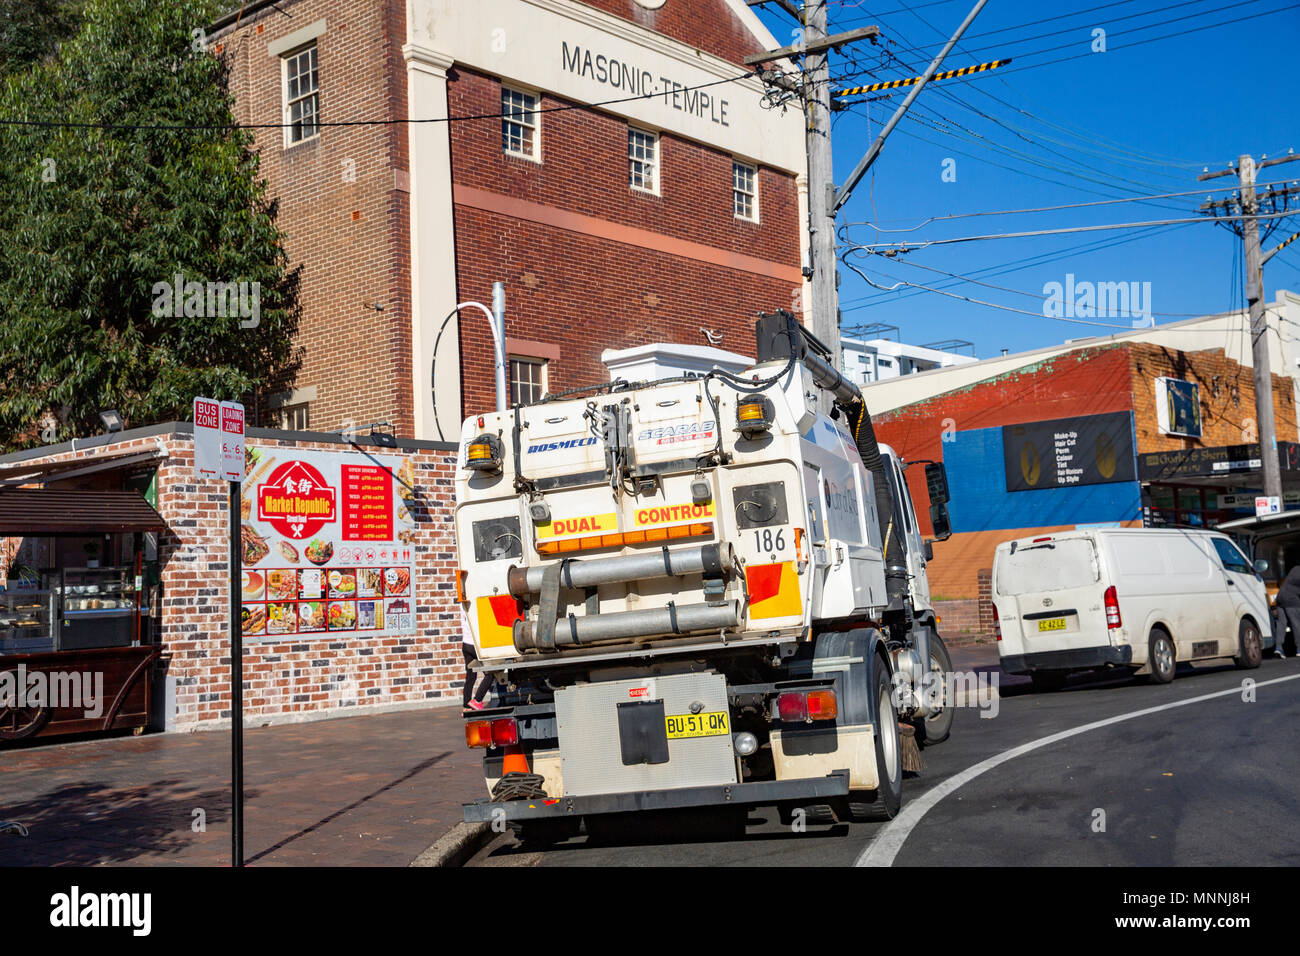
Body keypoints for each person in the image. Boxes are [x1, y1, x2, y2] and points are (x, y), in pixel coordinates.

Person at [460, 607, 492, 709]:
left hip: (466, 644)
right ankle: (477, 700)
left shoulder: (462, 603)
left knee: (470, 676)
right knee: (491, 673)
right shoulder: (473, 602)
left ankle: (466, 705)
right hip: (476, 645)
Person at [1274, 560, 1300, 659]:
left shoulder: (1295, 569)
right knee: (1296, 624)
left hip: (1280, 597)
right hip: (1291, 600)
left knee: (1281, 624)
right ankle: (1299, 649)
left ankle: (1278, 648)